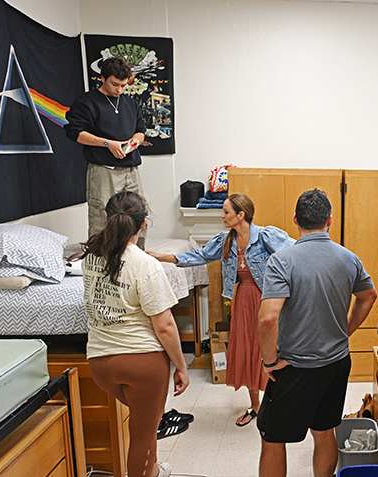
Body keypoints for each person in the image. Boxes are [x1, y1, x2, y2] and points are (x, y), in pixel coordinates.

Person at [256, 189, 378, 477]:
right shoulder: (348, 258)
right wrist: (344, 332)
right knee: (324, 431)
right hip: (336, 363)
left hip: (296, 367)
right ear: (330, 220)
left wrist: (270, 361)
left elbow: (267, 319)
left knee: (273, 438)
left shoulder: (283, 260)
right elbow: (369, 296)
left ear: (296, 220)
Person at [147, 193, 294, 427]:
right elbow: (199, 256)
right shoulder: (225, 241)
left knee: (274, 350)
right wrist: (161, 257)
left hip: (269, 299)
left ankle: (281, 404)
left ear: (241, 215)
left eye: (226, 211)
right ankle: (256, 406)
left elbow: (295, 252)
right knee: (248, 351)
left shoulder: (266, 236)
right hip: (244, 300)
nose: (222, 215)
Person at [82, 191, 189, 477]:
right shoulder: (146, 264)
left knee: (147, 422)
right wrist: (181, 366)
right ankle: (146, 472)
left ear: (108, 220)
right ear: (143, 225)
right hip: (141, 363)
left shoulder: (90, 257)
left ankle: (153, 471)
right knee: (143, 432)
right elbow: (164, 326)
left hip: (100, 364)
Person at [65, 57, 148, 243]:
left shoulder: (130, 103)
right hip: (103, 170)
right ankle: (99, 264)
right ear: (102, 78)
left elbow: (141, 130)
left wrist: (136, 140)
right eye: (115, 84)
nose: (119, 90)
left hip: (131, 170)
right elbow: (74, 133)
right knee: (102, 218)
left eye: (124, 85)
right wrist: (107, 143)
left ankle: (138, 261)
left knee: (140, 216)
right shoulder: (86, 102)